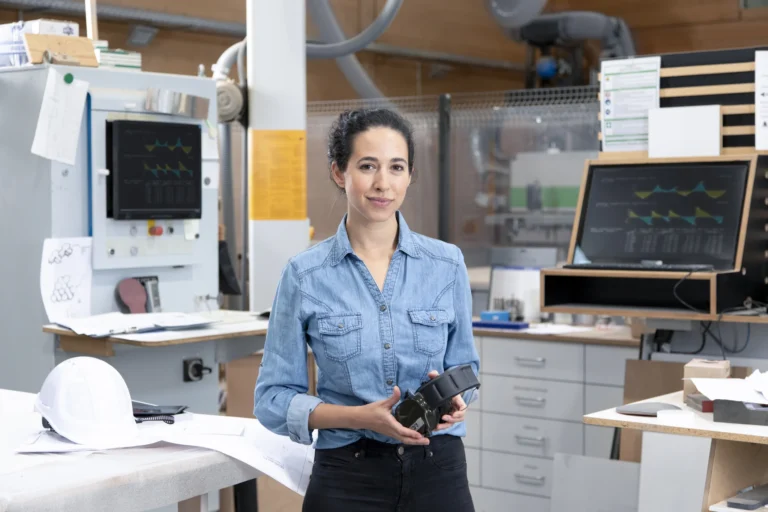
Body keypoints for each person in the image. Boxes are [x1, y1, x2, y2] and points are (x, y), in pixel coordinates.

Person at [254, 107, 480, 512]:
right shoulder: (305, 275)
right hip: (347, 475)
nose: (383, 183)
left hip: (438, 469)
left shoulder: (447, 264)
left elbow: (467, 369)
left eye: (396, 167)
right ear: (340, 173)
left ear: (410, 175)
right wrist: (359, 417)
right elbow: (272, 399)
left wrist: (456, 399)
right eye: (367, 166)